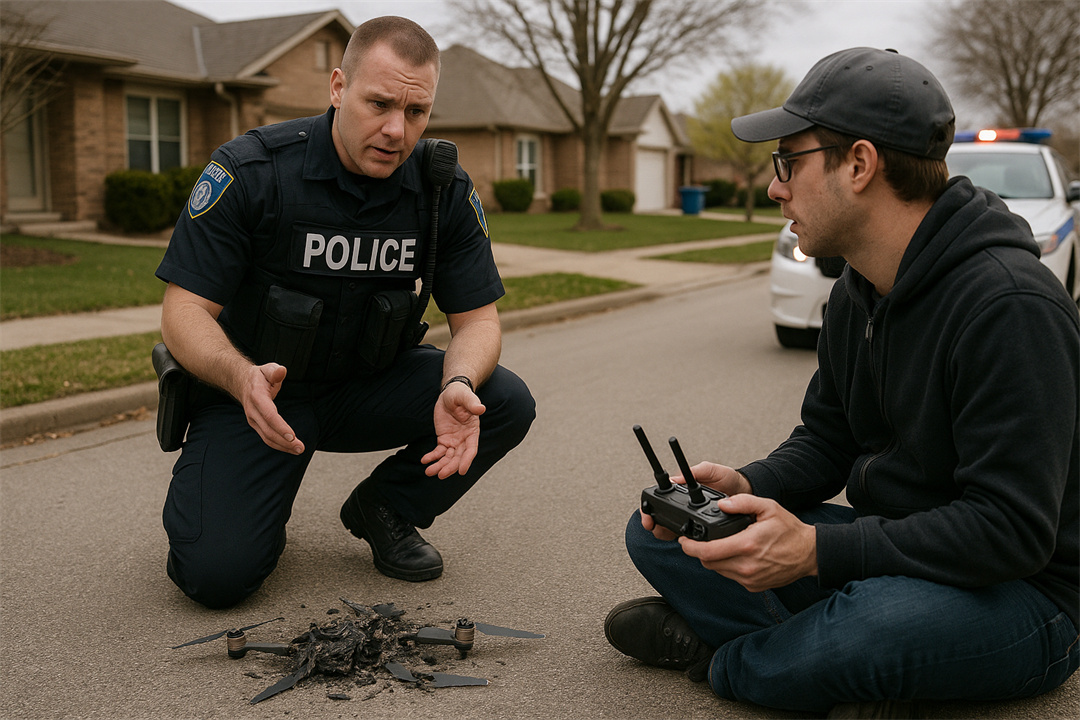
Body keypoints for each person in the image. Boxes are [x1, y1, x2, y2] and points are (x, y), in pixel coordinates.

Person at [604, 47, 1079, 717]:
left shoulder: (1009, 306)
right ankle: (823, 663)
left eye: (788, 163)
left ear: (859, 164)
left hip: (1024, 594)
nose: (775, 188)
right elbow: (828, 440)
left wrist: (817, 552)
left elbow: (1011, 531)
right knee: (665, 529)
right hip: (894, 550)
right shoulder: (858, 289)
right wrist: (747, 488)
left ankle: (734, 658)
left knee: (873, 627)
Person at [155, 16, 535, 609]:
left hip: (368, 385)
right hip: (260, 393)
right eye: (378, 103)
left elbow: (479, 321)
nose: (395, 130)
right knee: (217, 575)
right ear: (338, 87)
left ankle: (385, 506)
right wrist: (237, 376)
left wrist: (458, 381)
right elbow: (183, 312)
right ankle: (247, 512)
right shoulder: (253, 170)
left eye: (415, 113)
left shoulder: (443, 191)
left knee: (503, 398)